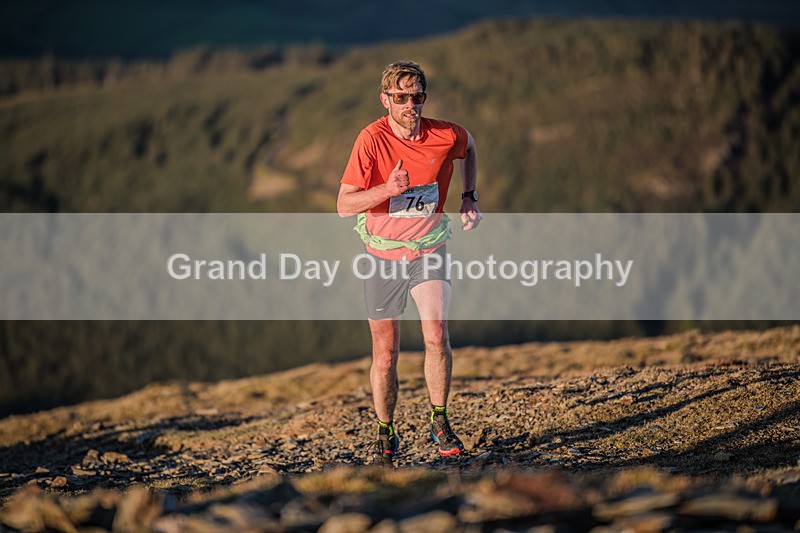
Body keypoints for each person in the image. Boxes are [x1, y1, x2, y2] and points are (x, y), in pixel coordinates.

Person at [337, 60, 482, 466]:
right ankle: (386, 430)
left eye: (417, 97)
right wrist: (386, 188)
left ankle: (440, 420)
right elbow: (344, 206)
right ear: (385, 99)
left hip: (428, 248)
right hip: (382, 257)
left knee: (436, 335)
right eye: (401, 98)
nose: (410, 105)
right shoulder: (370, 139)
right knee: (385, 354)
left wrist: (469, 196)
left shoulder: (444, 133)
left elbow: (469, 145)